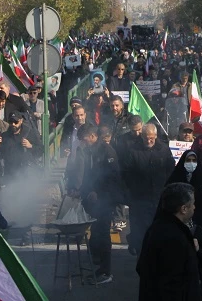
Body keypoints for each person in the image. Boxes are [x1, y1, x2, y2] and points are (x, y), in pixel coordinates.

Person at [137, 183, 202, 301]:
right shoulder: (175, 238)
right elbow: (173, 284)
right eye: (192, 203)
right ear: (183, 209)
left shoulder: (157, 227)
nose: (194, 207)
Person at [76, 123, 123, 286]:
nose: (83, 143)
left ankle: (106, 271)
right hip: (95, 201)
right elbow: (90, 174)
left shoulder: (107, 151)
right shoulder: (90, 151)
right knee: (96, 233)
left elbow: (113, 177)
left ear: (93, 137)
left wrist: (99, 192)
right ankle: (98, 266)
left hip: (106, 200)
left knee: (103, 235)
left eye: (84, 140)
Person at [121, 123, 175, 255]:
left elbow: (171, 168)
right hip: (140, 198)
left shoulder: (163, 149)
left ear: (156, 136)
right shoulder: (133, 150)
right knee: (141, 230)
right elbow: (126, 173)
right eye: (146, 138)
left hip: (159, 197)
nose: (149, 141)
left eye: (152, 138)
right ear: (142, 136)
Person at [164, 151, 202, 239]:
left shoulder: (201, 180)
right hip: (177, 225)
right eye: (188, 160)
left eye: (194, 161)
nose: (191, 163)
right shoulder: (175, 180)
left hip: (198, 225)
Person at [0, 112, 41, 181]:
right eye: (11, 122)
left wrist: (31, 146)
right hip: (10, 174)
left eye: (16, 122)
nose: (13, 124)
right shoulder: (4, 136)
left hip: (26, 174)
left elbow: (41, 150)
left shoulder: (29, 133)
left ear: (21, 121)